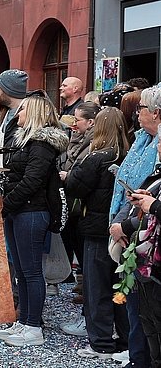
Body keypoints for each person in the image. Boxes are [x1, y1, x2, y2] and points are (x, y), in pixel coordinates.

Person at [0, 94, 68, 347]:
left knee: (31, 272)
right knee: (23, 273)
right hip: (19, 210)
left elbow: (32, 181)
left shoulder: (40, 144)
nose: (18, 114)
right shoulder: (27, 142)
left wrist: (5, 205)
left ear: (34, 112)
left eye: (23, 109)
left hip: (31, 211)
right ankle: (24, 321)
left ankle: (33, 326)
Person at [64, 107, 130, 360]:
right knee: (121, 287)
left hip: (96, 229)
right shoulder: (129, 154)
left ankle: (101, 342)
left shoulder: (98, 157)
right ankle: (124, 339)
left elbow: (74, 185)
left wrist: (71, 173)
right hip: (121, 229)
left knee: (97, 288)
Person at [110, 84, 161, 368]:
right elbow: (131, 189)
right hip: (132, 233)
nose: (136, 114)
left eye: (141, 108)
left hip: (146, 240)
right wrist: (118, 224)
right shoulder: (141, 140)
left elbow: (152, 201)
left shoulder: (155, 146)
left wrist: (126, 226)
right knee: (137, 307)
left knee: (148, 311)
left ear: (156, 113)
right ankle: (136, 356)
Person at [58, 101, 100, 317]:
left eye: (78, 120)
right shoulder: (78, 139)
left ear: (91, 122)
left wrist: (70, 176)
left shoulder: (94, 144)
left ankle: (88, 302)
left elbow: (81, 171)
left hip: (83, 205)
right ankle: (83, 289)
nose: (74, 124)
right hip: (75, 203)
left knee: (84, 251)